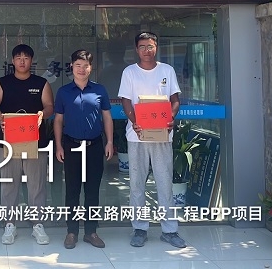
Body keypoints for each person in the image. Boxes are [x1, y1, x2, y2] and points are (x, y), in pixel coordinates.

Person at [118, 31, 186, 249]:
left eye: (150, 46)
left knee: (164, 183)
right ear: (136, 49)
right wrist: (134, 122)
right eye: (142, 46)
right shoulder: (130, 72)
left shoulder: (167, 70)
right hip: (136, 136)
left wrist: (171, 118)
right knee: (137, 184)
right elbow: (126, 101)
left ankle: (170, 230)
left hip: (162, 135)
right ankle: (139, 229)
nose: (146, 50)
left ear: (156, 47)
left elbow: (175, 100)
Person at [0, 44, 54, 245]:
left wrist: (43, 114)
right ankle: (10, 224)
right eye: (18, 57)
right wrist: (0, 117)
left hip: (36, 142)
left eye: (26, 57)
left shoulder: (41, 83)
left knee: (37, 185)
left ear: (31, 60)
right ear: (13, 60)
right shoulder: (3, 83)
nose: (22, 61)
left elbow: (49, 106)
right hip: (9, 141)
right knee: (9, 184)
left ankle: (37, 224)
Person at [53, 49, 114, 249]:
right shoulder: (63, 92)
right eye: (77, 65)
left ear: (91, 68)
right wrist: (59, 145)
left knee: (92, 190)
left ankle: (91, 232)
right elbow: (58, 120)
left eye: (85, 66)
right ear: (72, 67)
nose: (81, 69)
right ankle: (71, 232)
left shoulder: (99, 90)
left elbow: (107, 117)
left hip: (94, 146)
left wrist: (109, 141)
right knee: (72, 190)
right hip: (71, 145)